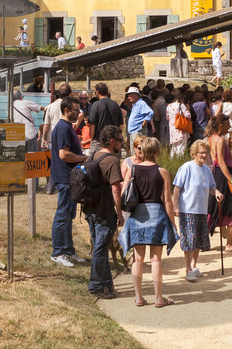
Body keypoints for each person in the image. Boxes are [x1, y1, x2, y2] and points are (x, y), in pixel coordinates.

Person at [121, 135, 179, 306]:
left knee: (138, 258)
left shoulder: (132, 169)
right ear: (157, 152)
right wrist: (172, 223)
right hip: (157, 216)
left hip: (137, 216)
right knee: (156, 259)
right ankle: (158, 298)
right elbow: (167, 200)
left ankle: (138, 297)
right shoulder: (163, 172)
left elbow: (124, 193)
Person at [82, 126, 124, 300]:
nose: (122, 143)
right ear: (112, 141)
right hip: (104, 213)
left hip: (90, 210)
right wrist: (119, 213)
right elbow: (116, 188)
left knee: (101, 248)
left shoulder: (93, 155)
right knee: (100, 250)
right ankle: (96, 285)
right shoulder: (112, 160)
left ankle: (107, 284)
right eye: (120, 140)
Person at [173, 139, 222, 282]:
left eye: (206, 153)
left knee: (199, 239)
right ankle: (188, 269)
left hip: (202, 209)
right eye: (201, 152)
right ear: (194, 153)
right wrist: (175, 206)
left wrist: (217, 192)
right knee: (189, 239)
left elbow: (211, 187)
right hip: (188, 209)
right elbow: (177, 188)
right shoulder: (186, 167)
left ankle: (194, 265)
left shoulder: (207, 170)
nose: (204, 155)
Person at [48, 97, 86, 267]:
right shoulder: (63, 128)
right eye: (76, 110)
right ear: (66, 110)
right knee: (62, 216)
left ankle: (68, 251)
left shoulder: (67, 127)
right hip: (64, 178)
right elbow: (64, 154)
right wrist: (83, 158)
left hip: (69, 178)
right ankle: (58, 252)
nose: (78, 112)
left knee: (68, 217)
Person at [206, 115, 232, 253]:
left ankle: (203, 240)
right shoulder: (220, 140)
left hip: (215, 174)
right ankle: (229, 243)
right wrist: (231, 180)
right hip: (224, 174)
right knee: (231, 207)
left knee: (214, 207)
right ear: (220, 125)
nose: (229, 126)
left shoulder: (211, 138)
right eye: (227, 124)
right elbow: (221, 161)